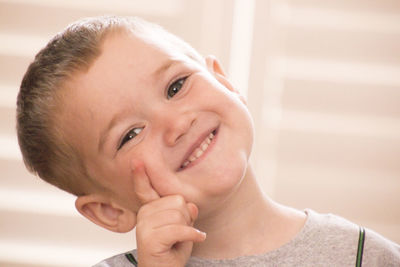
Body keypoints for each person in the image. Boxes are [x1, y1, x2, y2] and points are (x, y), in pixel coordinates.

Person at [17, 15, 400, 267]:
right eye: (131, 134)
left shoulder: (364, 255)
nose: (177, 124)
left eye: (176, 85)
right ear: (109, 210)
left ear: (225, 82)